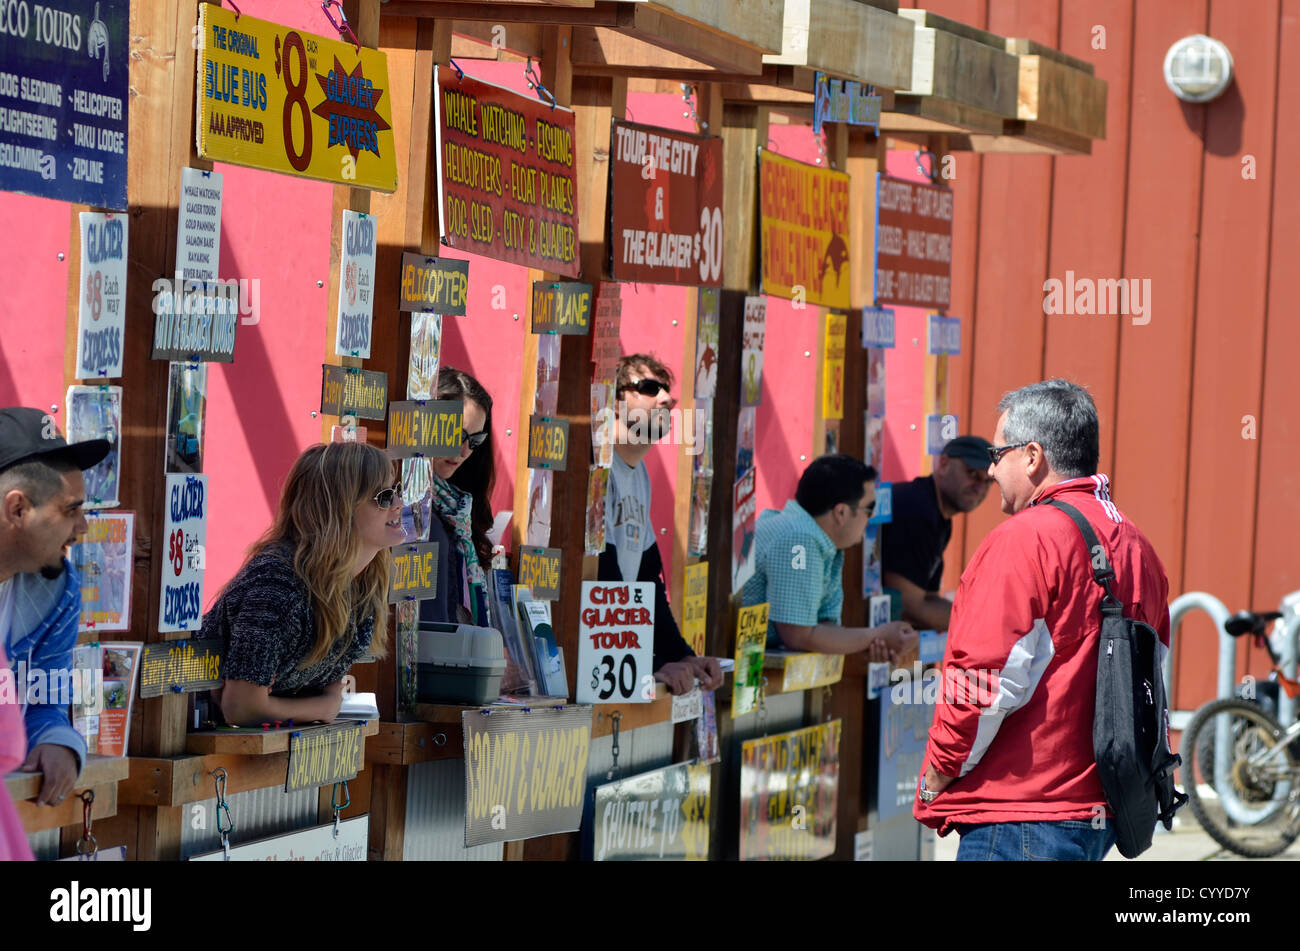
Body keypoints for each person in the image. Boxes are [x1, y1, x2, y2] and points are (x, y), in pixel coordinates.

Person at [914, 379, 1169, 861]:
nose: (990, 470)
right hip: (1097, 811)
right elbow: (1150, 682)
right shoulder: (1137, 545)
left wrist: (935, 778)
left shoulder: (1023, 539)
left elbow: (984, 682)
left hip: (1018, 815)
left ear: (1032, 456)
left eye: (997, 453)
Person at [202, 442, 395, 726]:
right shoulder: (278, 583)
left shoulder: (363, 585)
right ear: (339, 508)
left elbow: (330, 694)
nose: (399, 504)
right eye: (385, 497)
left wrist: (314, 704)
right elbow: (241, 707)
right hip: (193, 737)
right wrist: (323, 709)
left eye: (397, 491)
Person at [0, 406, 108, 808]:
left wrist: (58, 743)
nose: (82, 528)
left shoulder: (60, 589)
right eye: (70, 510)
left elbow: (48, 698)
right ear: (17, 510)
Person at [600, 354, 723, 696]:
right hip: (587, 663)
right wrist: (650, 665)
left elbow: (646, 583)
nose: (666, 399)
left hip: (614, 658)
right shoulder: (599, 464)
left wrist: (683, 656)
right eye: (649, 388)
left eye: (668, 391)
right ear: (614, 400)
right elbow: (601, 576)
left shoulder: (638, 473)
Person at [742, 453, 916, 658]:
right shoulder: (799, 540)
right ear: (840, 512)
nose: (870, 519)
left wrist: (872, 644)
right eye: (868, 510)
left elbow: (824, 629)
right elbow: (798, 636)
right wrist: (875, 635)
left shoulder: (819, 541)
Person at [880, 435, 994, 631]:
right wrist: (985, 627)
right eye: (972, 473)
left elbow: (929, 599)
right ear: (943, 464)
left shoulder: (939, 515)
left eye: (988, 482)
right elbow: (908, 606)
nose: (979, 487)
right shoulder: (918, 509)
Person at [419, 367, 495, 626]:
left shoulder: (459, 507)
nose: (463, 451)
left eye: (475, 440)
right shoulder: (399, 501)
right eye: (456, 434)